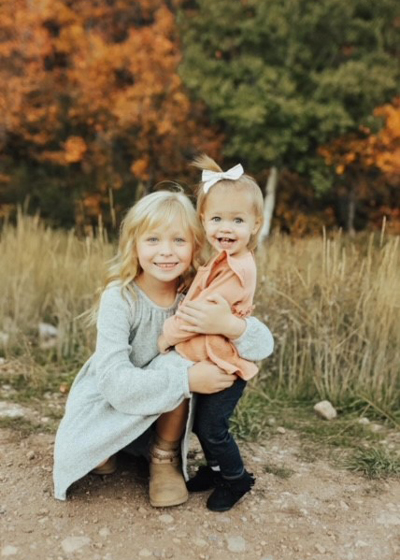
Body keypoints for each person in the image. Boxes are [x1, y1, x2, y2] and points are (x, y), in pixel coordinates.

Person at [53, 189, 273, 505]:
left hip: (165, 408)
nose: (166, 252)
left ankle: (163, 455)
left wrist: (228, 325)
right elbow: (114, 382)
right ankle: (111, 443)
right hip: (110, 396)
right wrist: (188, 381)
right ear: (134, 245)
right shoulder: (120, 298)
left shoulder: (198, 295)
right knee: (80, 455)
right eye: (153, 240)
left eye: (179, 241)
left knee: (179, 360)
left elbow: (263, 344)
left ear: (196, 245)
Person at [149, 155, 273, 512]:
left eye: (238, 220)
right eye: (217, 218)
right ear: (203, 220)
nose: (226, 228)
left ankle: (236, 480)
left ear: (256, 225)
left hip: (224, 365)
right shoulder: (221, 259)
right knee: (203, 426)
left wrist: (166, 338)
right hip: (209, 357)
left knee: (213, 427)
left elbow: (197, 315)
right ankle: (215, 468)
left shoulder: (236, 269)